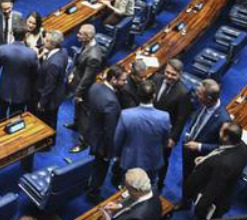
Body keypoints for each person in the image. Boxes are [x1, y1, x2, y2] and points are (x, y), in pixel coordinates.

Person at [184, 122, 247, 220]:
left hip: (211, 201)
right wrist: (207, 159)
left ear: (226, 138)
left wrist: (199, 211)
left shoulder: (224, 165)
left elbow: (212, 190)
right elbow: (221, 150)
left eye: (221, 131)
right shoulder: (241, 145)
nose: (219, 131)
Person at [181, 79, 231, 204]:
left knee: (195, 184)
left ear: (209, 98)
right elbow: (196, 120)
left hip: (201, 159)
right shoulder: (203, 104)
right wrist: (190, 132)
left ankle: (190, 202)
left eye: (199, 94)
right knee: (186, 178)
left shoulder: (224, 120)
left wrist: (199, 146)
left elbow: (222, 148)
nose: (196, 95)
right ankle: (184, 200)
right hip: (188, 149)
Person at [113, 80, 171, 185]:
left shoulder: (126, 115)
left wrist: (117, 156)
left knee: (128, 188)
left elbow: (118, 140)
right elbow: (165, 141)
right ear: (154, 96)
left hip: (130, 160)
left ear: (138, 95)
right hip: (153, 161)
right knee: (150, 187)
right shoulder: (165, 117)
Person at [85, 66, 126, 200]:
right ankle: (93, 193)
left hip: (92, 131)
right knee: (101, 169)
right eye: (123, 80)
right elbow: (110, 131)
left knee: (95, 164)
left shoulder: (96, 86)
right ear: (113, 79)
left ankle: (88, 183)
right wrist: (109, 152)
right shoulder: (112, 102)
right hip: (102, 141)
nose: (125, 83)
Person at [152, 59, 193, 190]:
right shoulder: (156, 79)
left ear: (180, 75)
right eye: (167, 72)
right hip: (150, 126)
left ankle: (159, 183)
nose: (169, 76)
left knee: (162, 160)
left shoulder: (184, 92)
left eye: (173, 74)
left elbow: (181, 118)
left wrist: (173, 138)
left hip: (166, 132)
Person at [67, 24, 104, 151]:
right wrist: (73, 72)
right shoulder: (88, 44)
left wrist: (78, 94)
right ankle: (76, 124)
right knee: (78, 109)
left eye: (80, 34)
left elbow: (87, 79)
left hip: (85, 89)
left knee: (85, 115)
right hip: (79, 82)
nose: (77, 35)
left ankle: (83, 142)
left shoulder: (94, 56)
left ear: (88, 37)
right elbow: (79, 63)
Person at [0, 36, 38, 121]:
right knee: (16, 117)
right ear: (25, 37)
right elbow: (35, 74)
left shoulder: (2, 49)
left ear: (13, 35)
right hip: (21, 91)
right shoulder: (32, 53)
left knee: (1, 113)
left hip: (4, 88)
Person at [34, 30, 68, 134]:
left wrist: (42, 102)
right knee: (52, 119)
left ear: (53, 44)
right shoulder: (63, 51)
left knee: (47, 121)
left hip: (50, 98)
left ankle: (47, 143)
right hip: (58, 92)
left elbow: (49, 86)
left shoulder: (53, 64)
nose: (43, 40)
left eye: (47, 40)